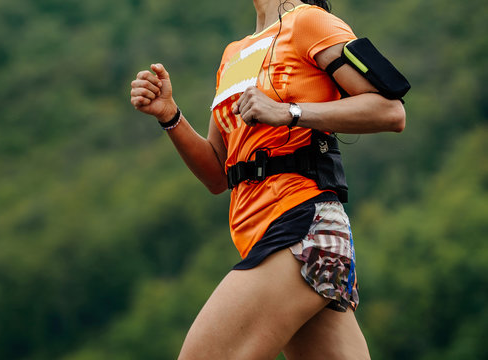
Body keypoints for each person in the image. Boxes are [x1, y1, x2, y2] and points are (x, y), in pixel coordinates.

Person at [130, 0, 405, 358]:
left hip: (303, 224)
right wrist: (171, 117)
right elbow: (218, 173)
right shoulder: (234, 53)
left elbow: (390, 110)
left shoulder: (310, 22)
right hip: (262, 233)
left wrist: (289, 112)